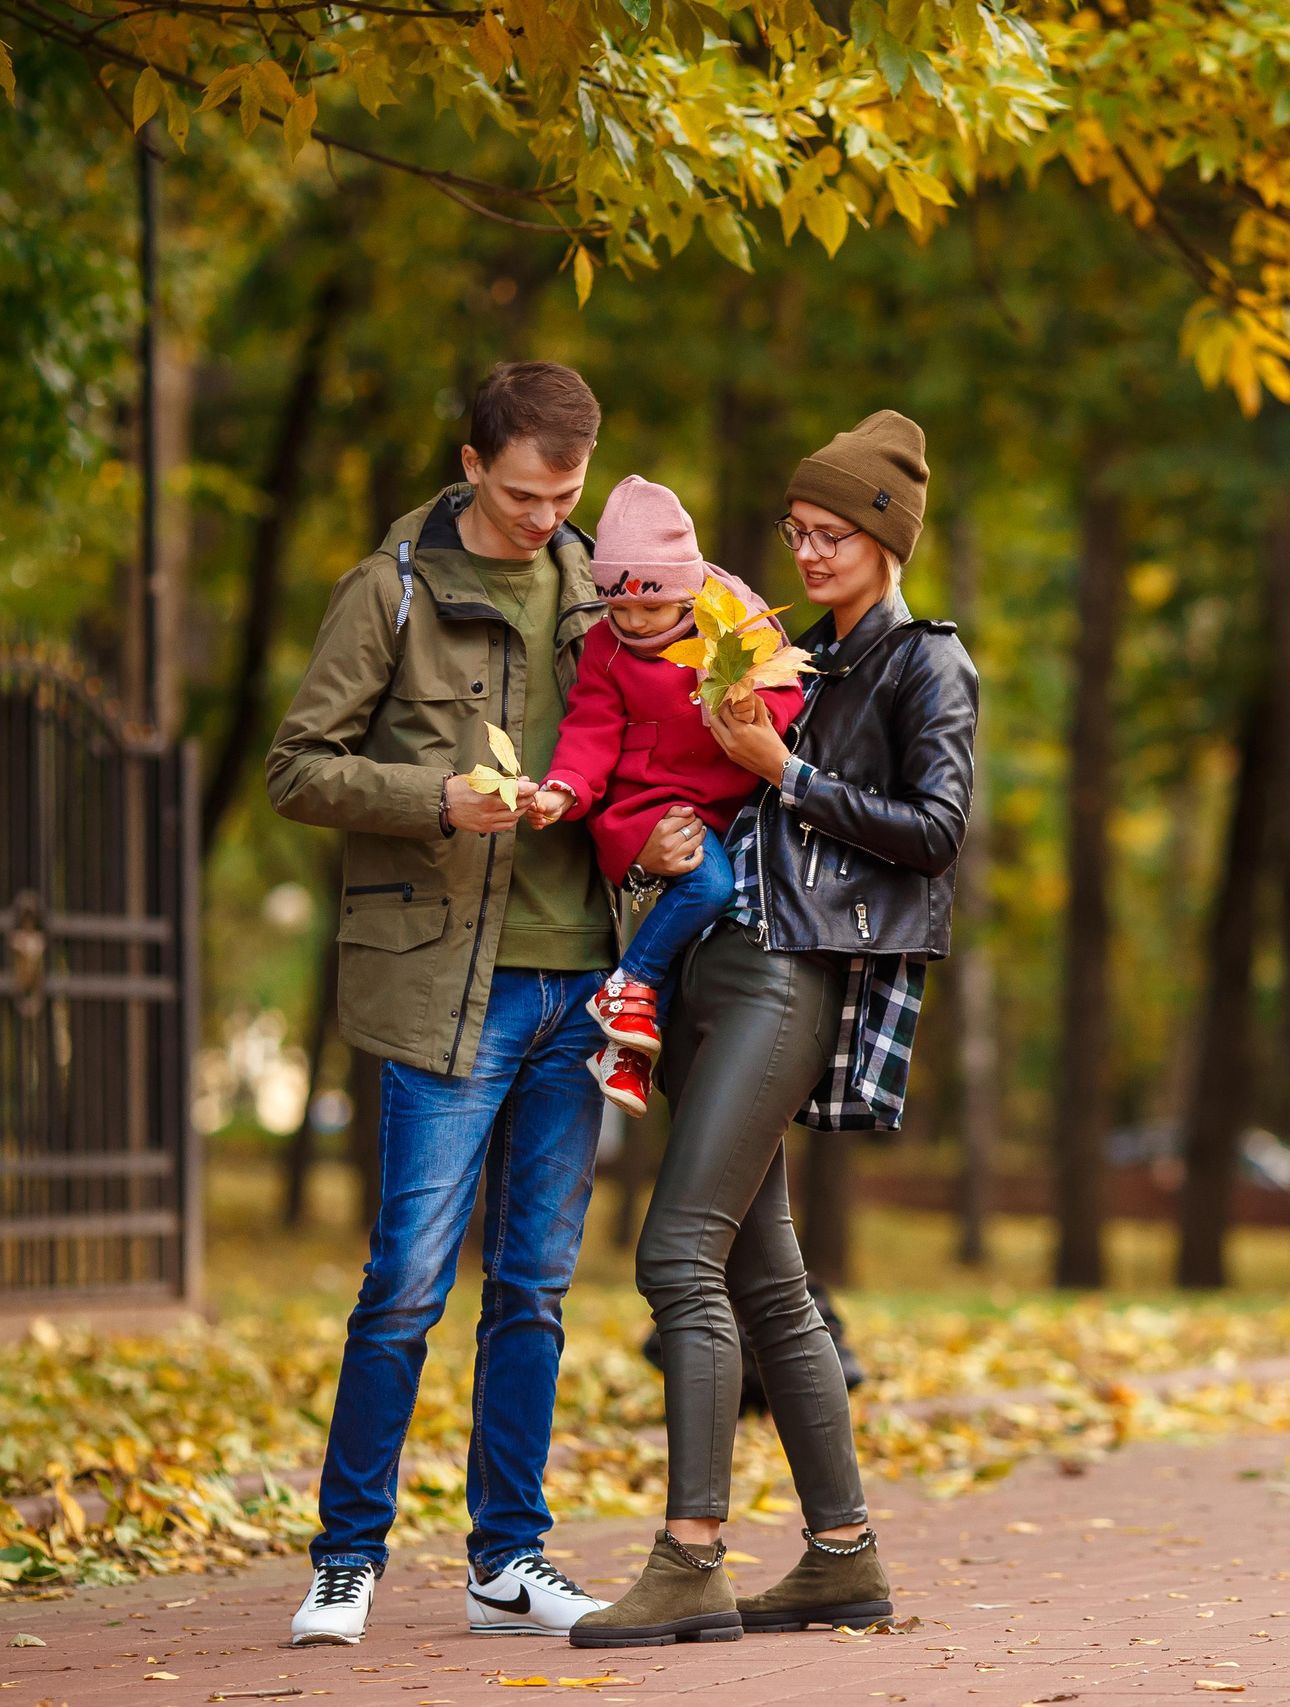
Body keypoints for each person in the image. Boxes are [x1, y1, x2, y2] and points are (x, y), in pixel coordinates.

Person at [264, 362, 689, 1646]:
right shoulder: (389, 589)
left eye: (565, 496)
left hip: (584, 981)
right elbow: (297, 768)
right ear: (469, 466)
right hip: (445, 984)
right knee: (405, 1283)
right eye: (520, 496)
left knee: (536, 1288)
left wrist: (664, 832)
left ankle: (508, 1560)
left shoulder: (605, 586)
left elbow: (650, 742)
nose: (545, 520)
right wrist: (432, 798)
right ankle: (347, 1558)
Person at [569, 410, 978, 1649]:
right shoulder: (778, 647)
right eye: (795, 531)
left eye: (830, 533)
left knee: (674, 1257)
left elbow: (937, 831)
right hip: (710, 967)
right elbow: (681, 771)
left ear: (886, 539)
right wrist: (660, 835)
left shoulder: (924, 665)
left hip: (786, 975)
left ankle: (691, 1558)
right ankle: (842, 1559)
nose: (805, 551)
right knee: (766, 1278)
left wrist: (783, 772)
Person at [533, 475, 804, 1120]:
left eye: (649, 610)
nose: (633, 624)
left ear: (685, 590)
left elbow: (784, 686)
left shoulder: (729, 618)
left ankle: (625, 1050)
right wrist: (566, 786)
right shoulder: (607, 648)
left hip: (724, 803)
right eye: (618, 609)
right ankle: (624, 985)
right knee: (709, 887)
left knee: (707, 938)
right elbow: (590, 728)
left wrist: (754, 709)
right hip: (652, 799)